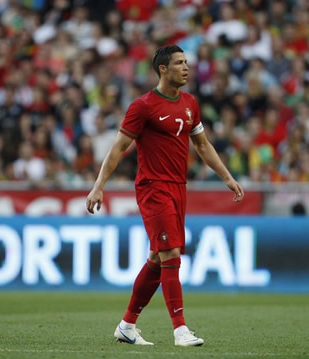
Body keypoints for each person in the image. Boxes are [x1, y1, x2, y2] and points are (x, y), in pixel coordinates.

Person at [86, 45, 244, 346]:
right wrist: (98, 185)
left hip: (178, 188)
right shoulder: (143, 106)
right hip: (152, 187)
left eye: (187, 62)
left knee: (158, 258)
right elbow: (119, 148)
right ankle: (180, 329)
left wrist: (227, 177)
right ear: (163, 69)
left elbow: (202, 145)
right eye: (179, 63)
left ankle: (127, 325)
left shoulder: (190, 103)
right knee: (171, 253)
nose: (186, 67)